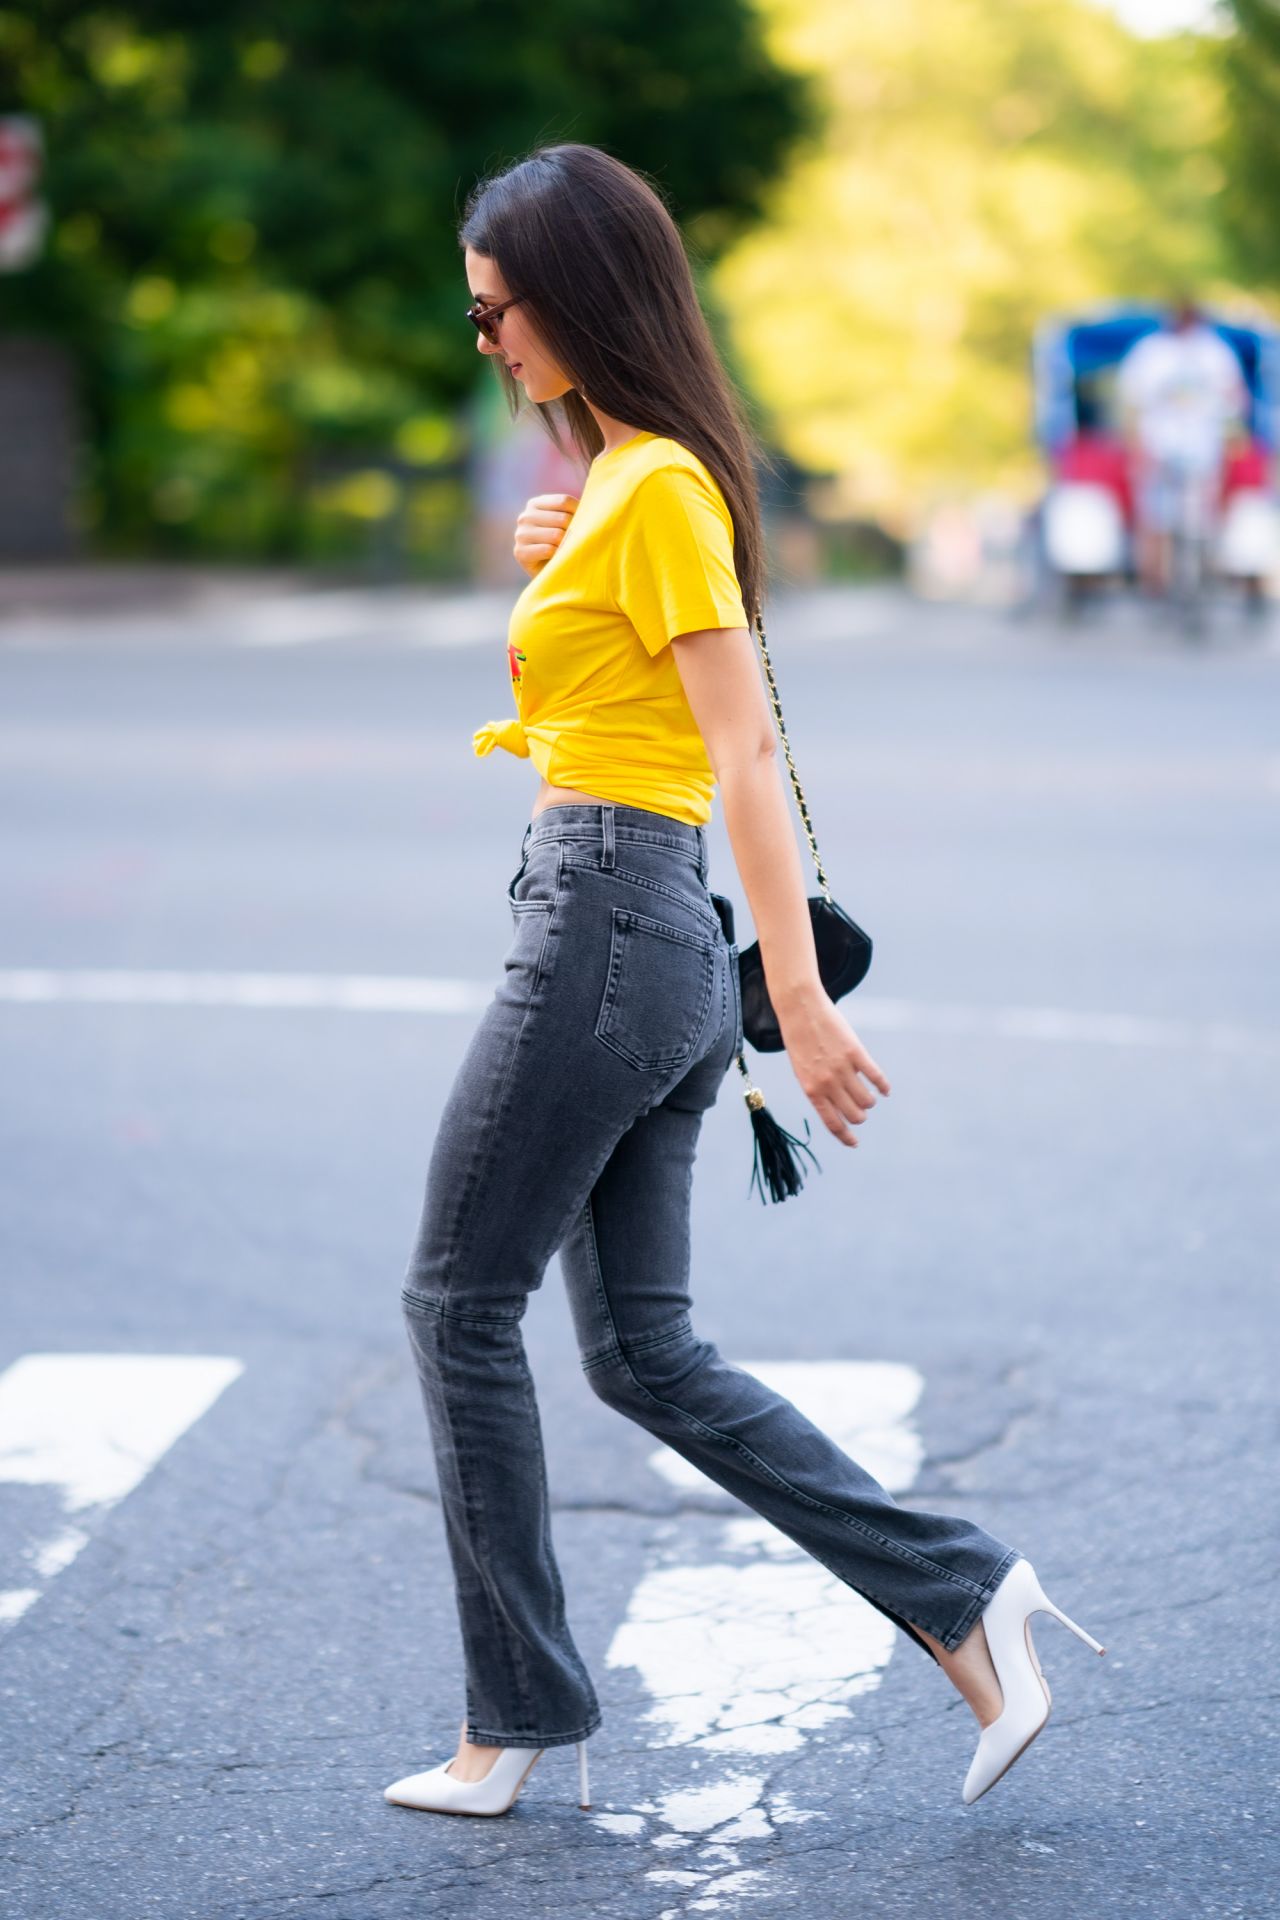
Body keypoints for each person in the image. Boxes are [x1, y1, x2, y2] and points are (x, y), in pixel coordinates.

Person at [383, 143, 1105, 1822]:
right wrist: (558, 543)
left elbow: (746, 749)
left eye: (497, 310)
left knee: (455, 1302)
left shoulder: (666, 497)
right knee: (643, 1351)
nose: (484, 338)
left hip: (615, 927)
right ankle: (961, 1597)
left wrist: (803, 991)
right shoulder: (632, 488)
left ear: (567, 298)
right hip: (642, 937)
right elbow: (622, 673)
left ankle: (510, 1723)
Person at [1117, 301, 1247, 596]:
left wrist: (1232, 437)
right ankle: (1155, 583)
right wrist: (1136, 446)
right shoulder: (1150, 351)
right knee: (1155, 517)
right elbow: (1132, 402)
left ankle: (1204, 576)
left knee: (1204, 516)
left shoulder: (1215, 351)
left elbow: (1235, 398)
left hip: (1203, 451)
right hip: (1158, 449)